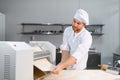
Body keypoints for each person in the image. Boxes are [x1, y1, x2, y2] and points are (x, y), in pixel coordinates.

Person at [51, 9, 92, 74]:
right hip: (68, 68)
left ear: (84, 25)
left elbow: (77, 55)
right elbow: (65, 49)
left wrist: (61, 66)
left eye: (78, 23)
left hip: (80, 70)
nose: (75, 25)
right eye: (74, 21)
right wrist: (61, 64)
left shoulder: (86, 36)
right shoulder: (67, 30)